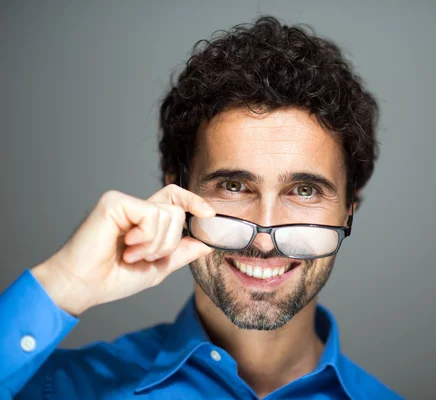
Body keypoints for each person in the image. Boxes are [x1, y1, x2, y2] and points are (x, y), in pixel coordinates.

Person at [0, 16, 403, 399]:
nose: (264, 238)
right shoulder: (64, 390)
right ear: (176, 188)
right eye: (233, 185)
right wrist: (65, 283)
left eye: (304, 191)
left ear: (348, 210)